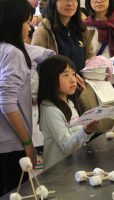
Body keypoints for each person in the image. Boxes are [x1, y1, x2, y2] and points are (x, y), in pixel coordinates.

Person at [0, 0, 37, 196]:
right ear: (13, 22)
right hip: (10, 145)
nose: (30, 27)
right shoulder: (13, 53)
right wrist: (27, 142)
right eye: (26, 21)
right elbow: (6, 102)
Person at [38, 55, 99, 171]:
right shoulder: (51, 110)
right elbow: (66, 146)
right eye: (65, 75)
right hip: (59, 172)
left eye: (73, 74)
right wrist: (86, 131)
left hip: (74, 167)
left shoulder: (69, 103)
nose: (73, 79)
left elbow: (78, 137)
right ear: (51, 79)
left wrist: (89, 130)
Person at [31, 0, 95, 91]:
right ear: (54, 2)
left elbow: (90, 58)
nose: (70, 3)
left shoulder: (82, 31)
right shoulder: (44, 31)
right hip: (56, 93)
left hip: (81, 90)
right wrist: (69, 76)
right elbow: (37, 67)